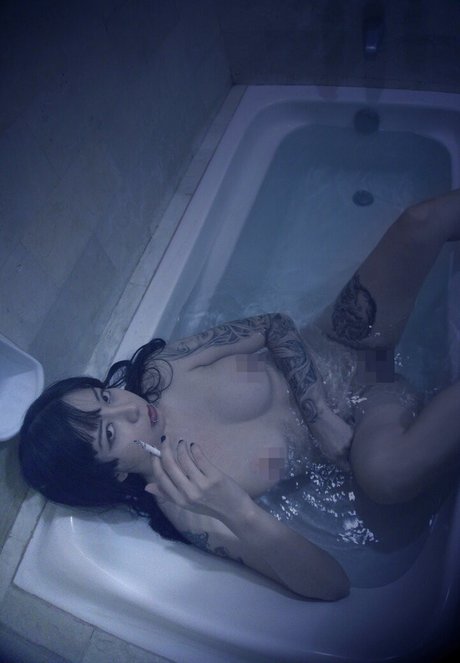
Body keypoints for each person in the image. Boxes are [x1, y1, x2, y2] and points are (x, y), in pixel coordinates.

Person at [19, 189, 460, 602]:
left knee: (421, 221)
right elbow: (332, 586)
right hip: (371, 413)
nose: (129, 407)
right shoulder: (190, 507)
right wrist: (237, 511)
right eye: (111, 432)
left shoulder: (165, 372)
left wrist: (318, 413)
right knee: (386, 477)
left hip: (346, 335)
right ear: (113, 475)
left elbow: (274, 325)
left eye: (106, 397)